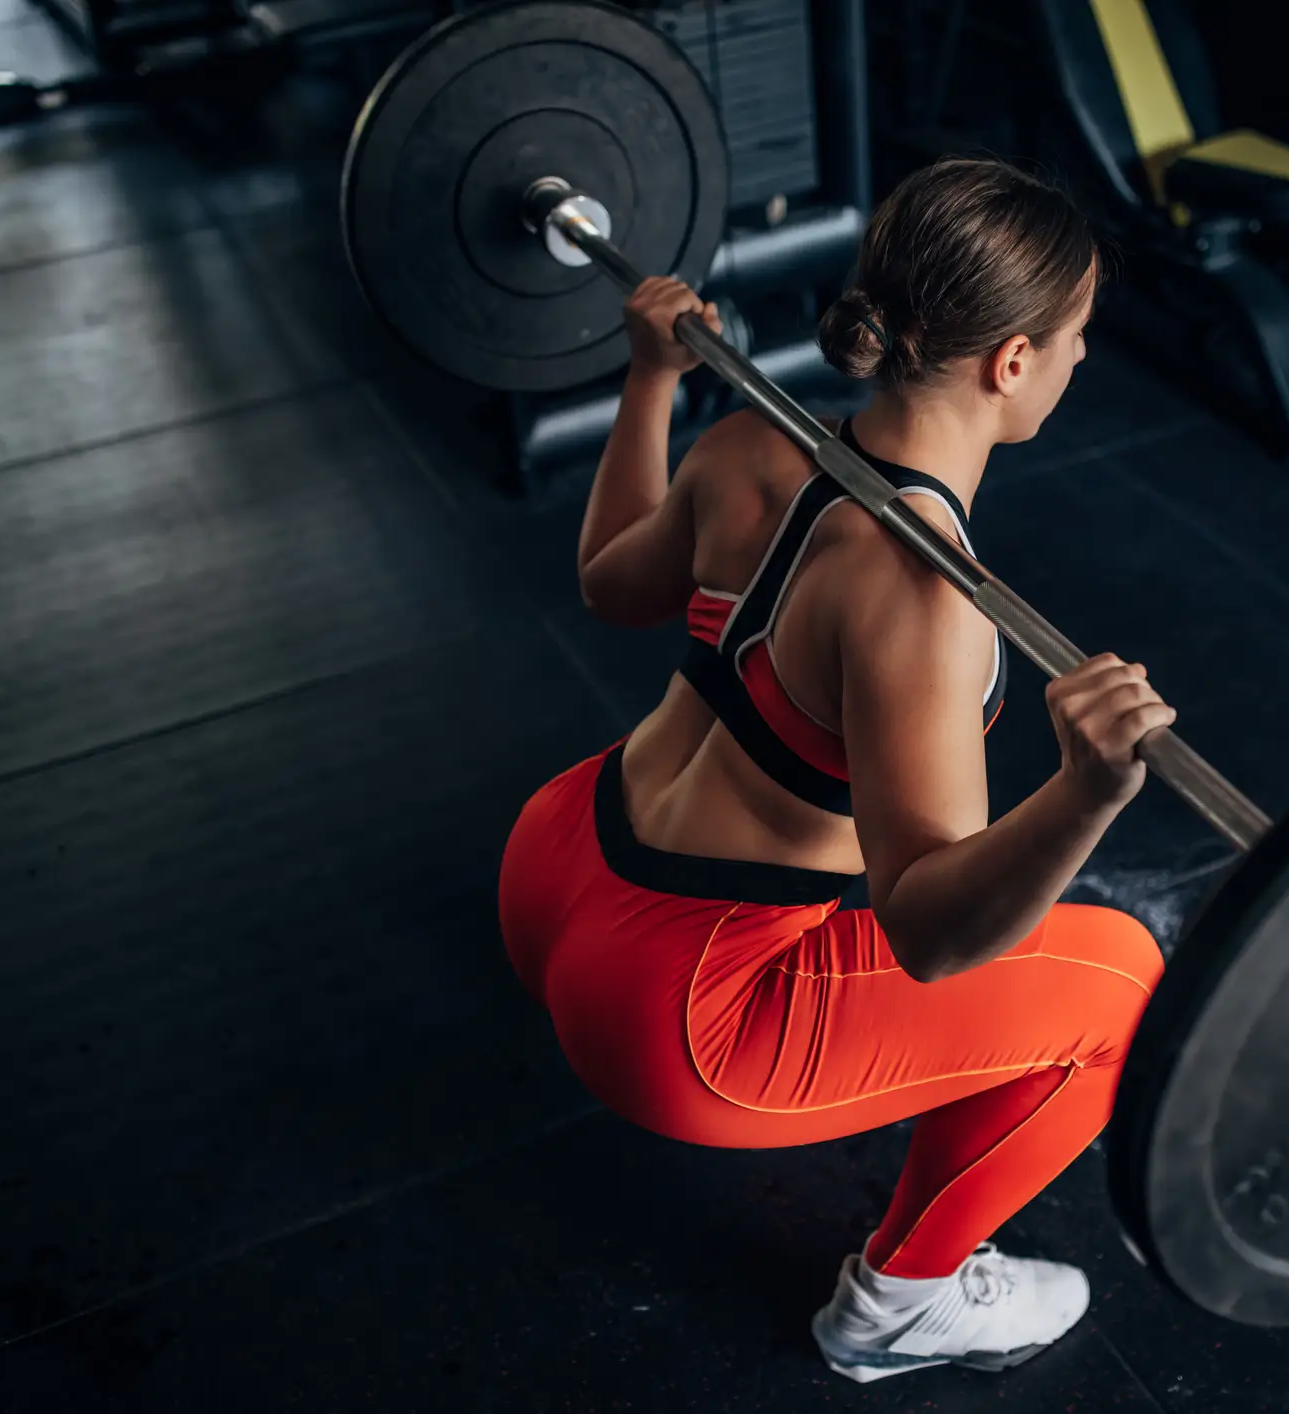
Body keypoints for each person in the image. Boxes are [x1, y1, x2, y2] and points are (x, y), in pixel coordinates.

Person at [499, 157, 1175, 1384]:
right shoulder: (925, 599)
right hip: (678, 1024)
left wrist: (649, 380)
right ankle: (900, 1306)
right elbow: (927, 928)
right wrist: (1082, 791)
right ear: (1010, 361)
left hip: (553, 863)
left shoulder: (750, 440)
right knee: (1123, 988)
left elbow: (607, 583)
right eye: (1076, 336)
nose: (1081, 358)